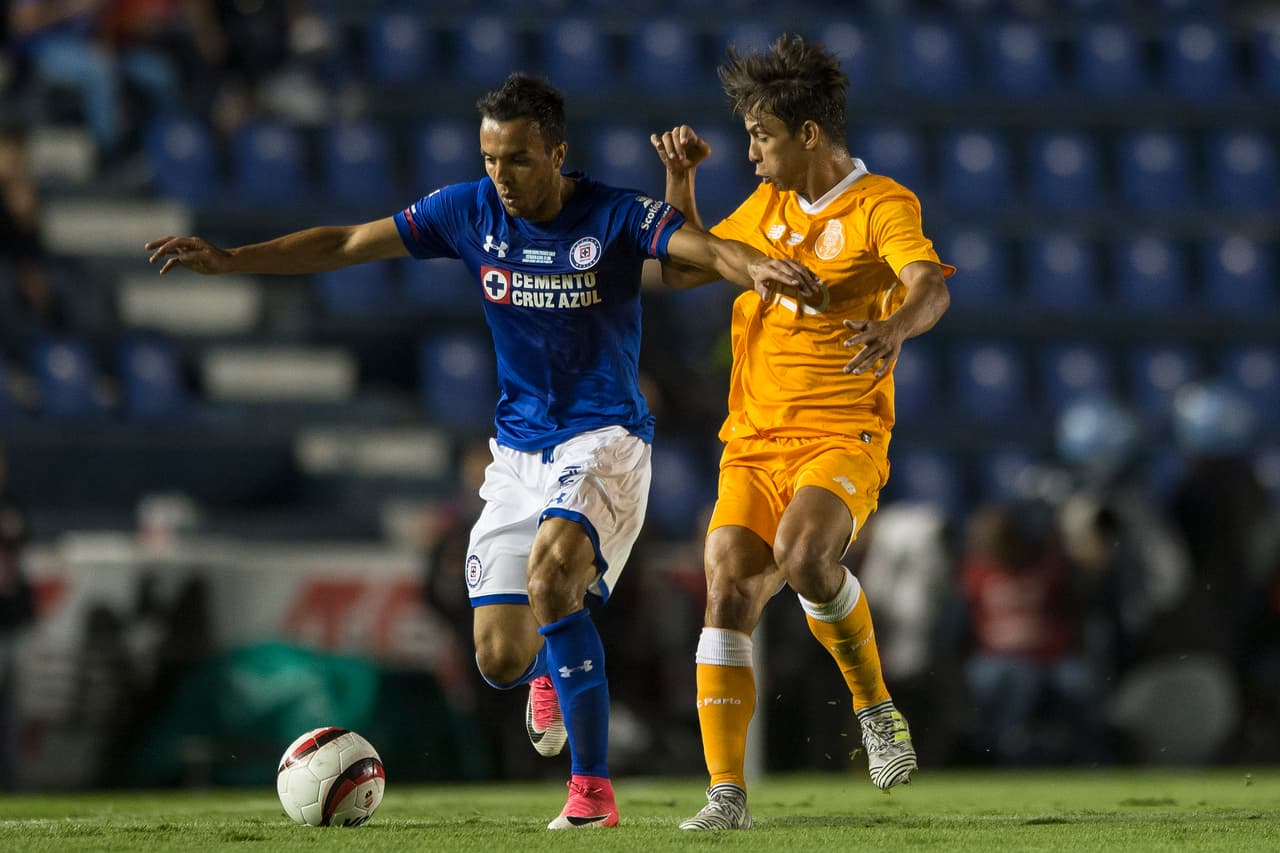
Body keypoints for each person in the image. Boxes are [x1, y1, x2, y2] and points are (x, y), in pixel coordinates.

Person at [145, 72, 821, 829]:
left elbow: (697, 252)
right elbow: (345, 241)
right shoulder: (466, 211)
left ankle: (592, 795)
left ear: (556, 152)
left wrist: (752, 264)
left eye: (519, 159)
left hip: (604, 440)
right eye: (492, 158)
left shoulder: (612, 212)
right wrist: (233, 259)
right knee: (499, 657)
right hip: (517, 455)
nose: (501, 175)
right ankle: (544, 668)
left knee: (554, 577)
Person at [649, 34, 954, 829]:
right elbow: (686, 266)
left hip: (840, 433)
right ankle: (726, 794)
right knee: (725, 588)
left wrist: (896, 331)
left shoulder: (881, 204)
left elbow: (927, 286)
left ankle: (875, 706)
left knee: (804, 556)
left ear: (808, 135)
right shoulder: (765, 208)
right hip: (752, 439)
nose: (750, 152)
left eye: (762, 136)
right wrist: (680, 183)